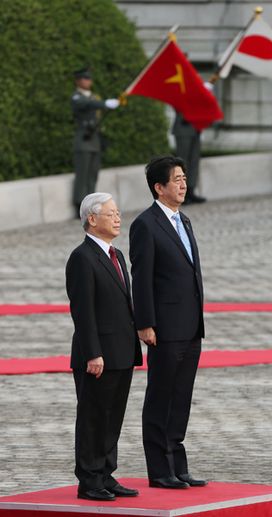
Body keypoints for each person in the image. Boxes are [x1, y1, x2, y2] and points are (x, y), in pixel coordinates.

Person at [129, 155, 207, 489]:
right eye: (176, 179)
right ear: (158, 187)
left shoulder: (184, 220)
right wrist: (145, 323)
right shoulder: (146, 224)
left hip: (190, 325)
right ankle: (160, 469)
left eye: (184, 177)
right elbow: (141, 277)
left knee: (182, 395)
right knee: (161, 396)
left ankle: (178, 463)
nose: (183, 183)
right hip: (164, 326)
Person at [66, 192, 142, 501]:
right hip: (97, 356)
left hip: (121, 351)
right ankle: (89, 479)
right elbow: (83, 311)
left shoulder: (117, 255)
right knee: (94, 417)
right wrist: (93, 352)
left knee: (113, 416)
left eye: (118, 212)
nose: (117, 217)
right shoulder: (82, 258)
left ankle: (106, 473)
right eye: (110, 213)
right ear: (92, 219)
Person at [71, 68, 120, 216]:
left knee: (93, 173)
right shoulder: (76, 97)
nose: (87, 81)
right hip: (83, 138)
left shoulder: (94, 97)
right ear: (78, 81)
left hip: (94, 139)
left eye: (89, 79)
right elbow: (87, 104)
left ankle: (91, 203)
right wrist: (105, 103)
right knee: (82, 173)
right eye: (84, 79)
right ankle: (79, 204)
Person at [172, 113, 206, 204]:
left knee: (194, 161)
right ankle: (181, 192)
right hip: (183, 128)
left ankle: (191, 190)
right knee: (182, 163)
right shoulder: (180, 99)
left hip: (196, 129)